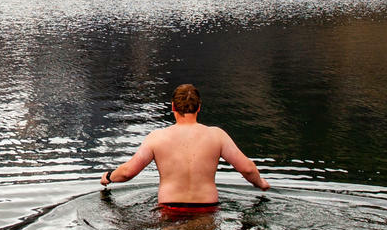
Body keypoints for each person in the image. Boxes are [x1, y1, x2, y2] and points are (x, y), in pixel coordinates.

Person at [100, 83, 268, 213]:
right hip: (207, 209)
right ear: (199, 107)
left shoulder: (157, 137)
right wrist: (260, 183)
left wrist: (109, 177)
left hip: (168, 209)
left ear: (173, 107)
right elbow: (247, 169)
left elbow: (128, 171)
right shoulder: (217, 136)